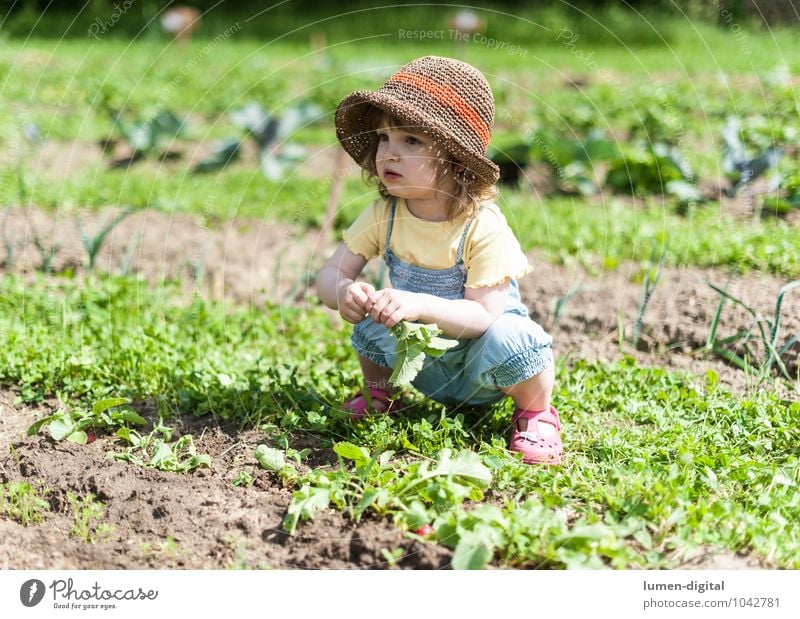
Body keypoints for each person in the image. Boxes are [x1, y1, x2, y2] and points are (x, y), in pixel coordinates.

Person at [315, 56, 562, 465]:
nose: (389, 154)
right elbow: (332, 271)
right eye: (383, 138)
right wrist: (344, 291)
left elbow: (482, 316)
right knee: (374, 316)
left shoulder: (482, 225)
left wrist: (418, 304)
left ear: (456, 158)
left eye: (411, 141)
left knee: (515, 339)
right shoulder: (386, 213)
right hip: (420, 363)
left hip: (482, 366)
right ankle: (381, 394)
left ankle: (536, 414)